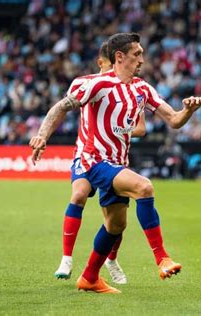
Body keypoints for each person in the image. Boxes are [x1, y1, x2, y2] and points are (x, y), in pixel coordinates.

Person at [30, 32, 201, 293]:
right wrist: (42, 135)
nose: (142, 60)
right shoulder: (94, 84)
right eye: (137, 54)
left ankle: (89, 277)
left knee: (116, 225)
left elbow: (174, 120)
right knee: (144, 187)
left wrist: (189, 111)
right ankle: (162, 258)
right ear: (120, 57)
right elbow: (60, 108)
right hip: (94, 161)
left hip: (117, 162)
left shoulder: (142, 88)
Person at [54, 41, 146, 285]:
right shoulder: (84, 84)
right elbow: (64, 109)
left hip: (115, 157)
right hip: (87, 154)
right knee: (79, 194)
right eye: (107, 66)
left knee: (117, 221)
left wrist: (118, 128)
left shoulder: (130, 90)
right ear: (102, 63)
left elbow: (140, 127)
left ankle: (111, 259)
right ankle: (66, 258)